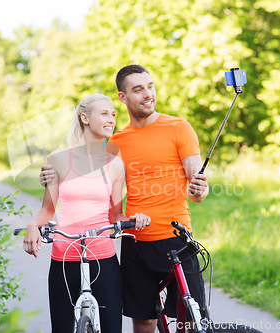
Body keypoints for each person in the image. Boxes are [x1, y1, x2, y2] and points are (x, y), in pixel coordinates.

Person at [40, 65, 209, 333]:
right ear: (123, 97)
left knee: (191, 320)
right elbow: (94, 179)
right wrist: (52, 176)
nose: (147, 94)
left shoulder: (179, 128)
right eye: (138, 89)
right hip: (134, 242)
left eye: (150, 86)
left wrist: (200, 189)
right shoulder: (116, 140)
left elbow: (198, 187)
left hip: (176, 239)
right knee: (143, 321)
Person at [24, 93, 150, 333]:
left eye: (113, 114)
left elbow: (116, 217)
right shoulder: (58, 159)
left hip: (103, 257)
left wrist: (135, 220)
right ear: (84, 117)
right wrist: (33, 226)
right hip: (64, 258)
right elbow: (47, 210)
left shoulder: (115, 164)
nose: (112, 119)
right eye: (104, 113)